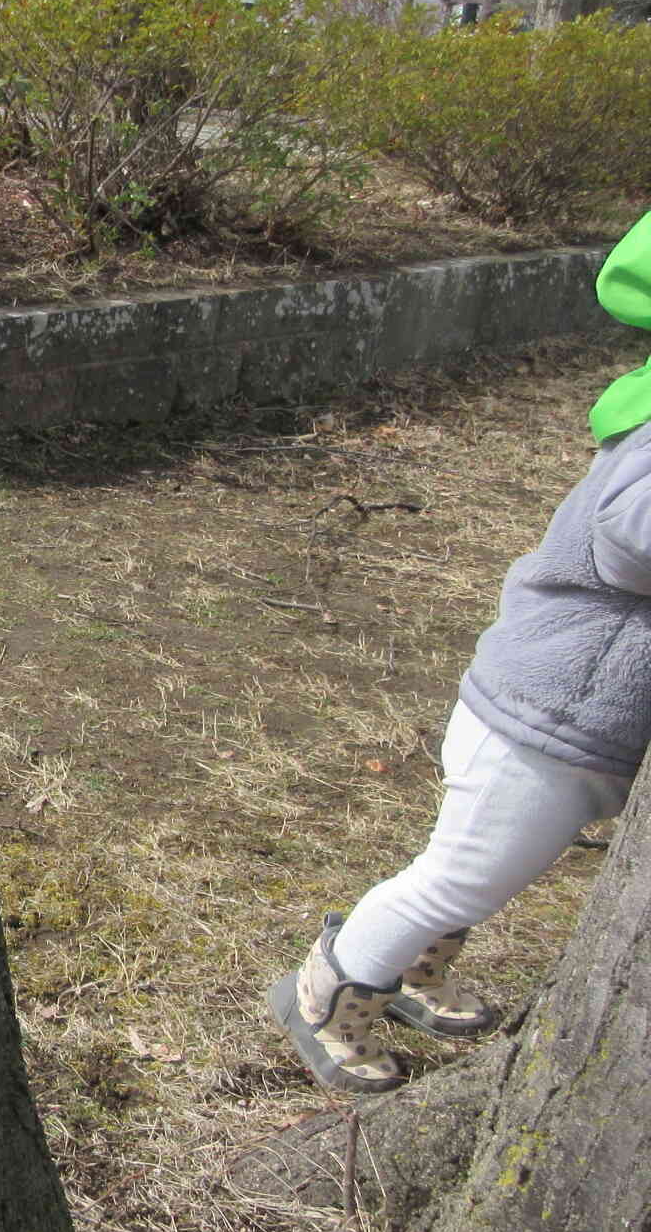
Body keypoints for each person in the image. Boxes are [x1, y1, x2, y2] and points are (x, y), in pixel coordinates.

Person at [269, 211, 651, 1093]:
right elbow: (629, 539)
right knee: (454, 879)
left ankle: (411, 974)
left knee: (487, 868)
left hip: (569, 713)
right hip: (550, 714)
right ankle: (328, 991)